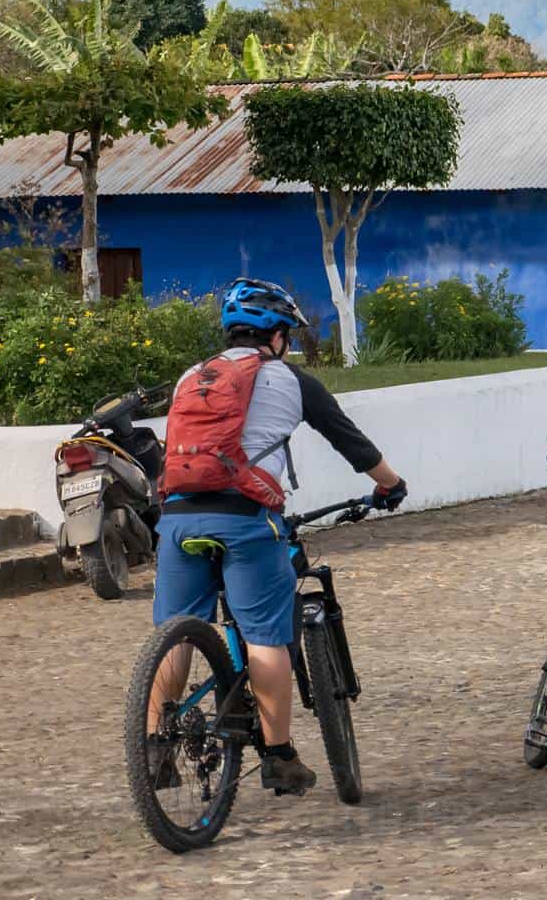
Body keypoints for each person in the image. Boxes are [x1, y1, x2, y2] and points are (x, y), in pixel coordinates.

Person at [148, 278, 407, 797]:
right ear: (276, 335)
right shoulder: (290, 380)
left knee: (177, 629)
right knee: (267, 635)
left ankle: (154, 745)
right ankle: (280, 756)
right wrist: (389, 484)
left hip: (177, 518)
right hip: (244, 519)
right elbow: (347, 438)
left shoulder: (190, 378)